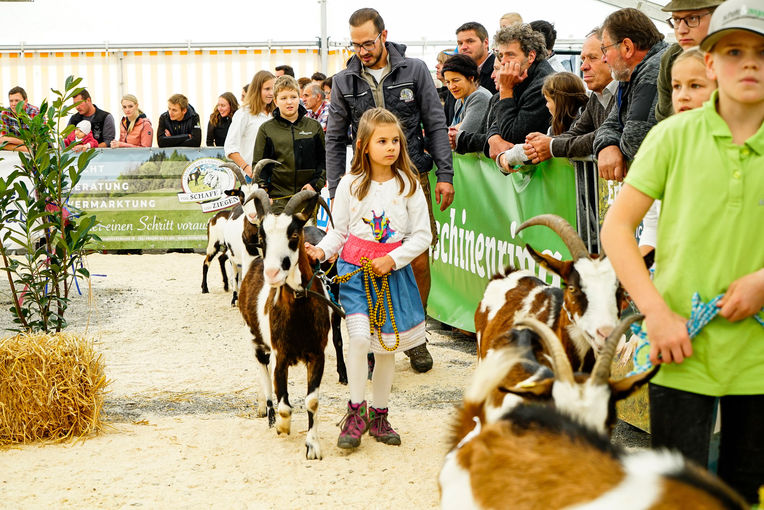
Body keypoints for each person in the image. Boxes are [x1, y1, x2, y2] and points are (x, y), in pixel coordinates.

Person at [600, 1, 764, 502]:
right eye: (734, 51)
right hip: (679, 348)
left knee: (744, 493)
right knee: (680, 494)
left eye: (762, 51)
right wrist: (656, 314)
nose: (750, 63)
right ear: (710, 62)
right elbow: (618, 230)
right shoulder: (671, 136)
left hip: (758, 360)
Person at [326, 8, 455, 373]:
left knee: (416, 257)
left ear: (384, 36)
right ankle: (371, 338)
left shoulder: (414, 70)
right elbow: (335, 140)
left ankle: (415, 336)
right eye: (355, 44)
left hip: (412, 178)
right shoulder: (343, 81)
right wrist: (337, 187)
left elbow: (435, 120)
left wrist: (444, 173)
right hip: (364, 183)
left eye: (367, 42)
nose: (362, 50)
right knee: (364, 257)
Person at [305, 107, 432, 450]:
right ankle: (356, 412)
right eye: (382, 141)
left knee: (387, 350)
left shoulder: (409, 185)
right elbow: (339, 232)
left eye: (395, 141)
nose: (390, 147)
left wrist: (393, 258)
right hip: (355, 275)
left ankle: (380, 415)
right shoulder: (350, 184)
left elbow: (422, 236)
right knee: (359, 340)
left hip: (393, 275)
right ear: (363, 145)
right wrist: (322, 251)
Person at [639, 47, 717, 257]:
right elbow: (651, 227)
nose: (682, 96)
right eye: (676, 86)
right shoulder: (662, 142)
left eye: (695, 86)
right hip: (667, 280)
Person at [592, 8, 669, 181]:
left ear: (627, 47)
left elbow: (636, 140)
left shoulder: (655, 70)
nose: (604, 59)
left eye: (605, 49)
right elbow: (609, 125)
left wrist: (613, 145)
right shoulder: (630, 76)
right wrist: (607, 146)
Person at [524, 27, 617, 162]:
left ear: (612, 56)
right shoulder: (597, 98)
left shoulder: (625, 94)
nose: (583, 66)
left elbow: (604, 135)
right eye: (583, 59)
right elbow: (577, 132)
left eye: (592, 58)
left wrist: (550, 145)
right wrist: (542, 143)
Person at [252, 75, 325, 214]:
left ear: (299, 98)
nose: (289, 102)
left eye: (293, 97)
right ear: (275, 101)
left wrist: (315, 185)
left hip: (307, 199)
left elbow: (324, 161)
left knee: (308, 236)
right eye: (283, 98)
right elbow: (259, 167)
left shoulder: (314, 127)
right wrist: (264, 192)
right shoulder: (266, 129)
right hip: (277, 201)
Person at [486, 23, 554, 159]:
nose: (503, 62)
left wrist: (505, 90)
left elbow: (513, 136)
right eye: (500, 56)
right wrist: (493, 137)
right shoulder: (519, 77)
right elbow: (497, 120)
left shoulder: (544, 85)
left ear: (531, 56)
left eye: (510, 55)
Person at [498, 71, 588, 172]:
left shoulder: (583, 120)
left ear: (559, 102)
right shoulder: (554, 128)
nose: (546, 105)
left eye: (548, 101)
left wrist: (508, 157)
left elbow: (537, 149)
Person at [655, 0, 723, 121]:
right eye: (676, 20)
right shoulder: (670, 58)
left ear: (718, 17)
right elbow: (664, 119)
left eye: (692, 18)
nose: (681, 30)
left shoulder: (741, 59)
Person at [224, 71, 275, 179]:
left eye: (273, 89)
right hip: (253, 175)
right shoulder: (244, 113)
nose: (271, 93)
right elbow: (230, 147)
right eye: (267, 89)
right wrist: (246, 168)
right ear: (256, 89)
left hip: (275, 175)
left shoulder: (275, 113)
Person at [442, 54, 492, 149]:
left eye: (456, 80)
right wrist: (456, 127)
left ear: (471, 77)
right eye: (448, 82)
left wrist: (455, 129)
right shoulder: (460, 100)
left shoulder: (480, 97)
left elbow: (460, 137)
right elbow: (450, 135)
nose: (451, 87)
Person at [456, 22, 498, 95]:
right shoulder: (457, 72)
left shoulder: (499, 71)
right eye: (460, 43)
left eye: (470, 41)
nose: (463, 47)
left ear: (486, 43)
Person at [0, 86, 39, 151]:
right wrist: (27, 146)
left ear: (25, 101)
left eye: (17, 101)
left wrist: (10, 141)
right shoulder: (5, 113)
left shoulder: (34, 112)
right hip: (13, 155)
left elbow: (37, 142)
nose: (13, 104)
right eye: (11, 101)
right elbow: (2, 141)